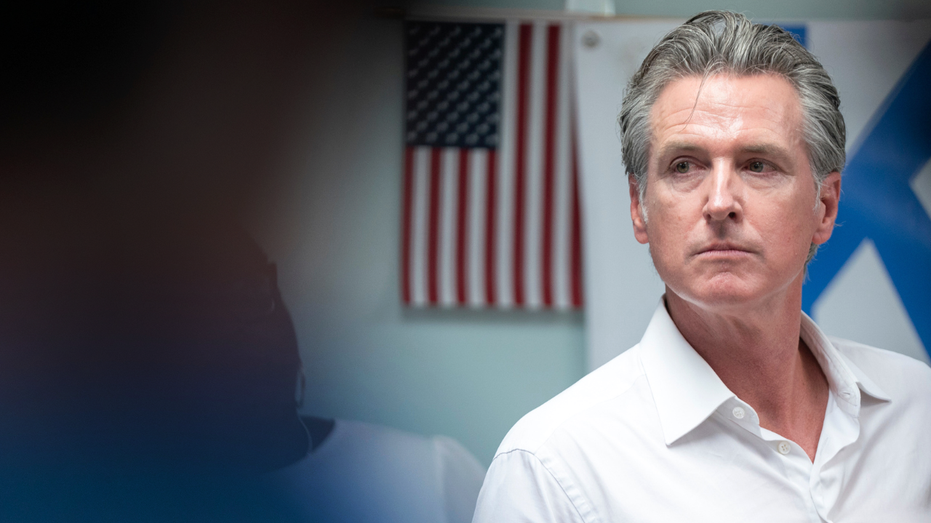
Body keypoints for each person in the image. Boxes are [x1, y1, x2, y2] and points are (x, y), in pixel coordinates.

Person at [472, 11, 931, 522]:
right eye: (684, 166)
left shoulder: (920, 411)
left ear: (824, 206)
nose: (719, 202)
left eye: (758, 164)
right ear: (639, 208)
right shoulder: (552, 470)